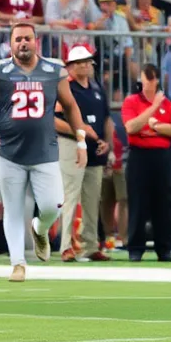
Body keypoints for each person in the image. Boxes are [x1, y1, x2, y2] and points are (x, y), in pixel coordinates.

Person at [0, 22, 89, 282]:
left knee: (53, 205)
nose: (22, 43)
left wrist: (80, 141)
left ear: (36, 41)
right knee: (13, 210)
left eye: (27, 38)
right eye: (18, 39)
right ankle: (18, 263)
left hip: (45, 150)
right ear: (11, 43)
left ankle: (41, 227)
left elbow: (70, 107)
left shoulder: (53, 70)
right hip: (8, 151)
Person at [56, 45, 112, 262]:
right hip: (71, 144)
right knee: (71, 195)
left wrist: (106, 142)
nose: (85, 65)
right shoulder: (66, 88)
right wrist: (79, 130)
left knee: (92, 198)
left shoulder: (96, 88)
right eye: (80, 62)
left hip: (94, 147)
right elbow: (54, 120)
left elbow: (106, 118)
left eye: (88, 62)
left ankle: (90, 244)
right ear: (70, 67)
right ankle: (65, 245)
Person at [121, 64, 171, 261]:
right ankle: (135, 248)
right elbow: (131, 127)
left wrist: (156, 127)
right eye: (146, 79)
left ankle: (164, 248)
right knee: (138, 201)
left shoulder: (168, 104)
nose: (149, 83)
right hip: (139, 155)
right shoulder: (131, 101)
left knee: (162, 202)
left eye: (152, 79)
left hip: (161, 156)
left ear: (157, 80)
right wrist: (153, 109)